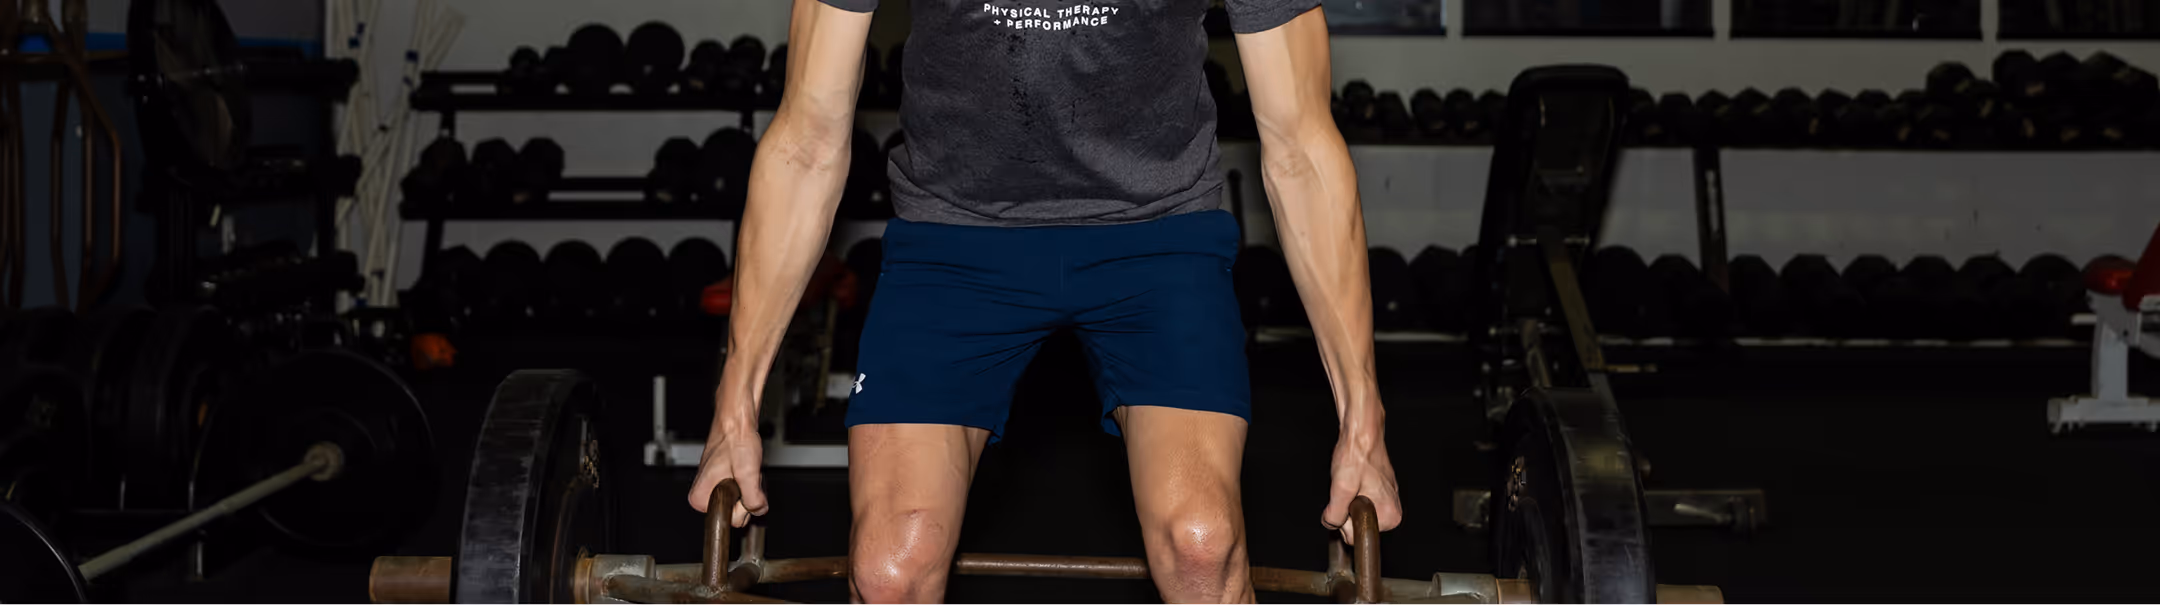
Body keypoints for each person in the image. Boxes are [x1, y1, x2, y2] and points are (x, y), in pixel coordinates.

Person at [687, 0, 1400, 600]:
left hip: (1157, 237)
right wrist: (736, 402)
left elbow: (1302, 145)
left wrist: (1361, 417)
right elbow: (807, 141)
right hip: (954, 241)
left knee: (1201, 547)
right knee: (889, 568)